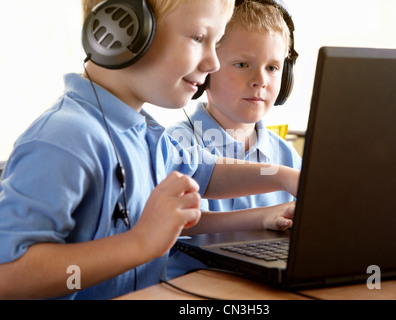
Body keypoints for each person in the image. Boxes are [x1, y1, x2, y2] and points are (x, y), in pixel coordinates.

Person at [0, 0, 299, 300]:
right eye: (199, 38)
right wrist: (139, 243)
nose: (213, 63)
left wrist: (284, 177)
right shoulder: (65, 138)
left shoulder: (144, 133)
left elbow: (206, 173)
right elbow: (10, 276)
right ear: (125, 29)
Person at [165, 0, 301, 278]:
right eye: (242, 64)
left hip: (262, 284)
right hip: (194, 284)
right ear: (206, 70)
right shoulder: (176, 143)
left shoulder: (287, 155)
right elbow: (180, 226)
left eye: (273, 68)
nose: (260, 80)